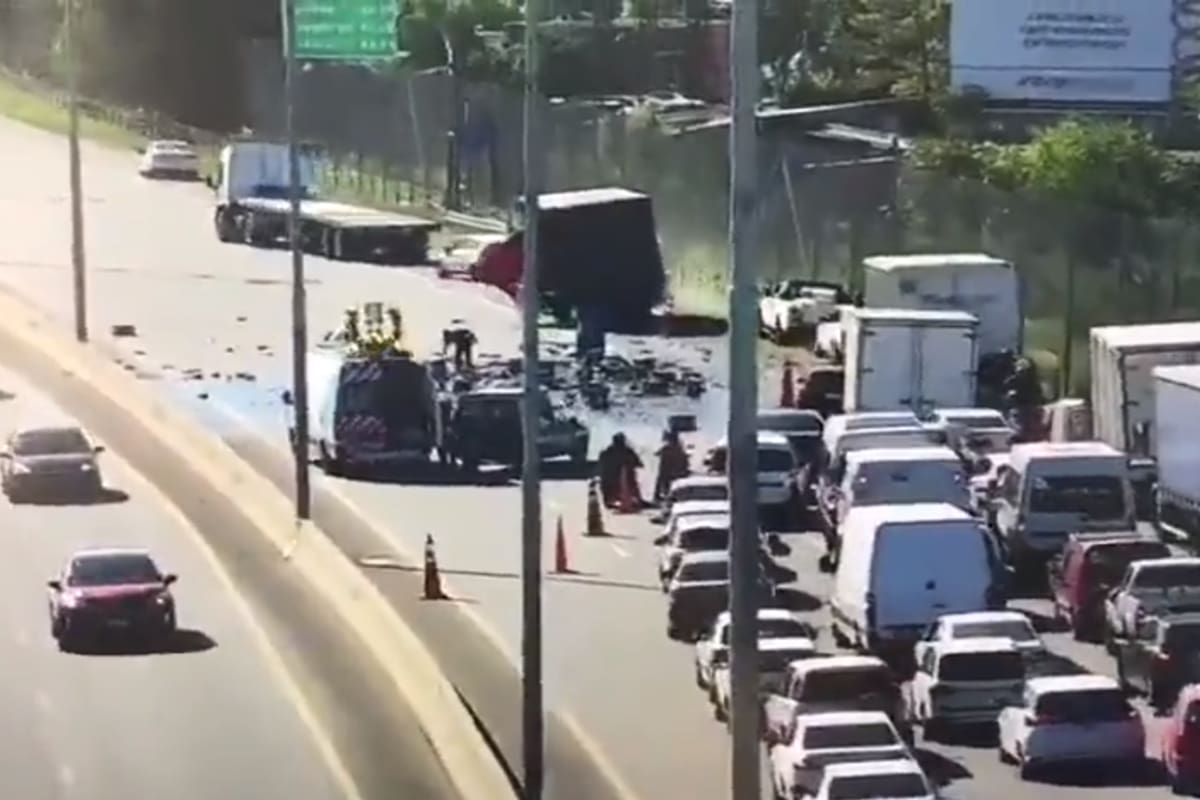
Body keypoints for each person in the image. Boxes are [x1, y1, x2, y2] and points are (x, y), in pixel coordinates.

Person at [597, 433, 643, 508]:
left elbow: (600, 466)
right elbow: (639, 464)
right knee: (630, 475)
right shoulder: (627, 452)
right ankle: (637, 499)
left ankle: (609, 500)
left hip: (608, 485)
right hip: (621, 485)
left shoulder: (605, 452)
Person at [653, 430, 690, 504]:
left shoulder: (667, 448)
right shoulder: (678, 448)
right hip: (673, 470)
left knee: (662, 483)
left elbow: (657, 454)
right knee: (667, 483)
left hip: (666, 470)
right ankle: (665, 496)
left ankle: (659, 497)